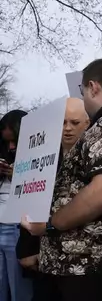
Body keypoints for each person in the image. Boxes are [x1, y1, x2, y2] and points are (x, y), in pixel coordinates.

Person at [21, 59, 102, 301]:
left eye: (82, 92)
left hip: (85, 264)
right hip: (98, 260)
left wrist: (50, 224)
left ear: (93, 87)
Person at [17, 98, 89, 301]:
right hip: (43, 258)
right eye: (63, 122)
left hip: (79, 264)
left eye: (74, 123)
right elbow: (29, 202)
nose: (67, 129)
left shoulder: (94, 159)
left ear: (88, 124)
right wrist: (27, 249)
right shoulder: (42, 158)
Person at [0, 110, 32, 301]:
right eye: (6, 142)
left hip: (17, 227)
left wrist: (19, 175)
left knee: (19, 288)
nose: (10, 146)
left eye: (15, 142)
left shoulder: (37, 154)